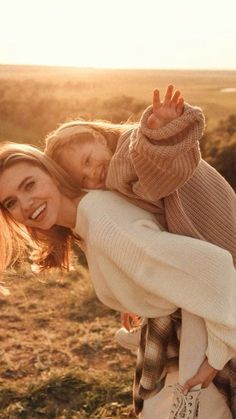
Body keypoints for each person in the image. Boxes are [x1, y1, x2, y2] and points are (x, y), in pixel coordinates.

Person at [0, 142, 235, 418]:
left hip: (200, 348)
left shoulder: (104, 224)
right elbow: (147, 256)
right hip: (181, 346)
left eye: (29, 185)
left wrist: (218, 357)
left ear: (52, 173)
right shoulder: (86, 216)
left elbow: (217, 267)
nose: (25, 205)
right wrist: (134, 293)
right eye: (11, 202)